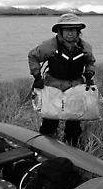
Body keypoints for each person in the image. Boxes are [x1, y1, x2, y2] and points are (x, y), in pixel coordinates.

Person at [28, 13, 96, 146]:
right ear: (60, 31)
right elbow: (33, 56)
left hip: (76, 86)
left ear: (78, 31)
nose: (70, 33)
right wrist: (37, 76)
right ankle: (45, 147)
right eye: (66, 29)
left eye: (74, 29)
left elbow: (90, 62)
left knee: (74, 122)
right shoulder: (49, 46)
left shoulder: (85, 47)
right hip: (53, 85)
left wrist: (89, 74)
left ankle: (72, 146)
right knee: (50, 121)